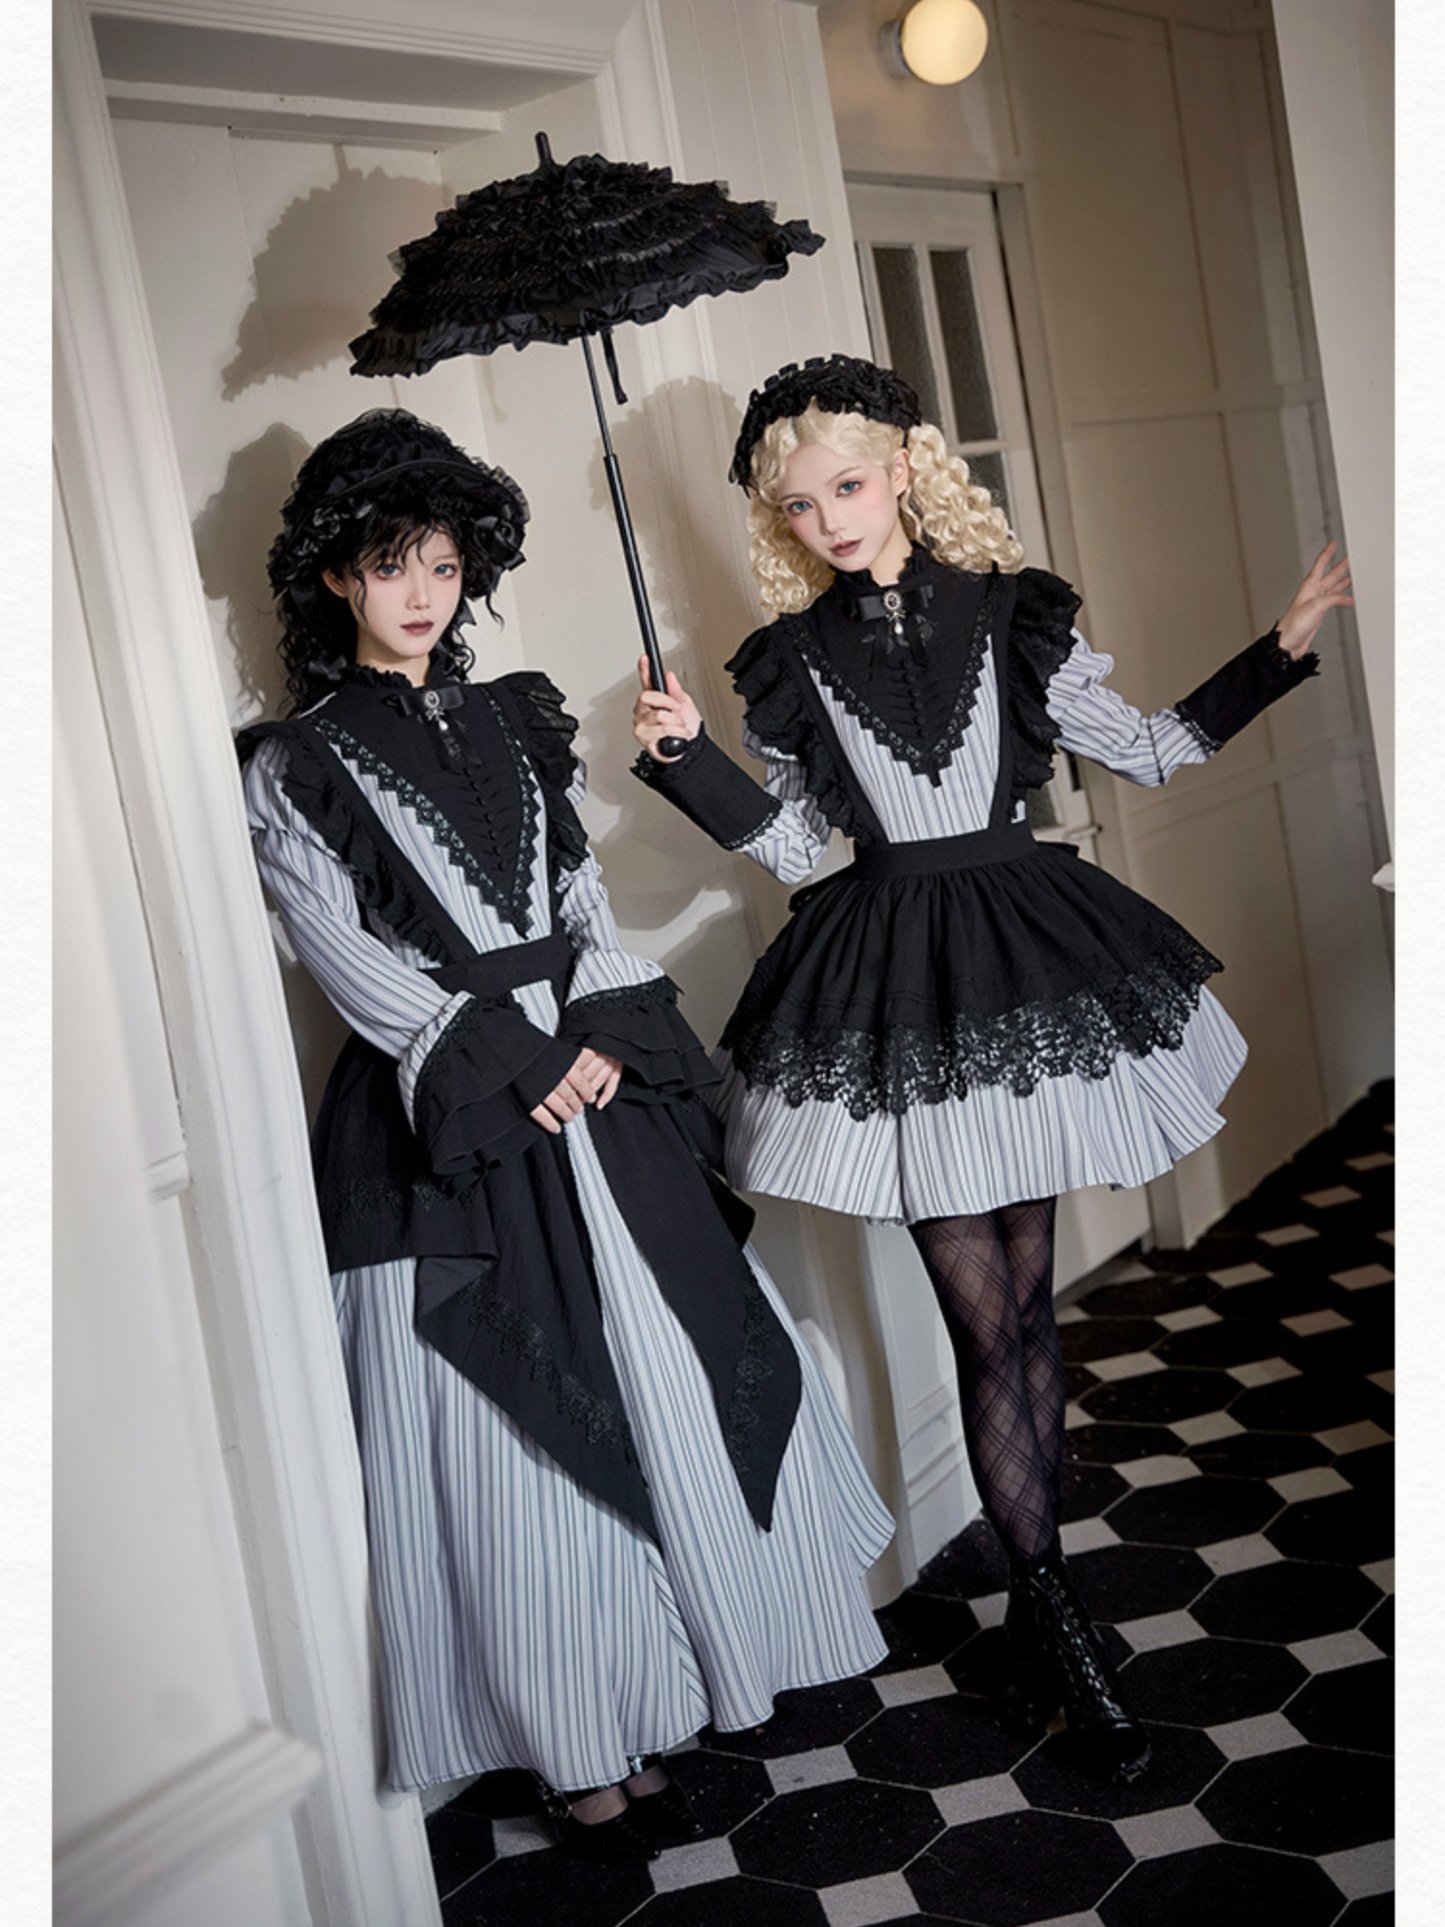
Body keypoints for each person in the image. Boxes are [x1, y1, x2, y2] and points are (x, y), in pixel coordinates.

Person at [631, 354, 1353, 1783]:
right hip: (894, 981)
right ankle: (1056, 1604)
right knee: (984, 1320)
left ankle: (1041, 1593)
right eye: (800, 504)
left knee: (1027, 1304)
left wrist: (1278, 648)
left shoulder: (1014, 613)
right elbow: (799, 850)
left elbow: (1147, 750)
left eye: (848, 485)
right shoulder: (789, 659)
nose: (830, 520)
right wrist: (688, 761)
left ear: (903, 467)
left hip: (1026, 952)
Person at [237, 407, 892, 1862]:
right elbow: (343, 954)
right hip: (455, 1109)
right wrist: (509, 1061)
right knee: (513, 1435)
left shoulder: (516, 720)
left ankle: (695, 1676)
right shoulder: (296, 761)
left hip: (588, 1073)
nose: (423, 591)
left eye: (443, 562)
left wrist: (594, 1025)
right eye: (390, 565)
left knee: (684, 1351)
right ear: (336, 576)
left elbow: (579, 897)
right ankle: (581, 1746)